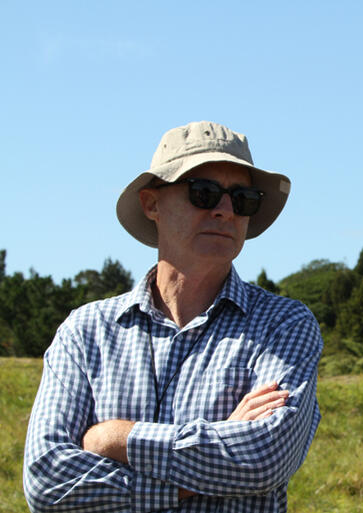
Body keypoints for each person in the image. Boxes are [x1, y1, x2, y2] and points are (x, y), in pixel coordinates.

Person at [23, 121, 323, 512]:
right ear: (152, 204)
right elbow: (46, 481)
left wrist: (115, 439)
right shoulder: (86, 332)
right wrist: (208, 459)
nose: (225, 211)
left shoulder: (283, 324)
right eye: (204, 193)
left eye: (244, 199)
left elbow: (266, 457)